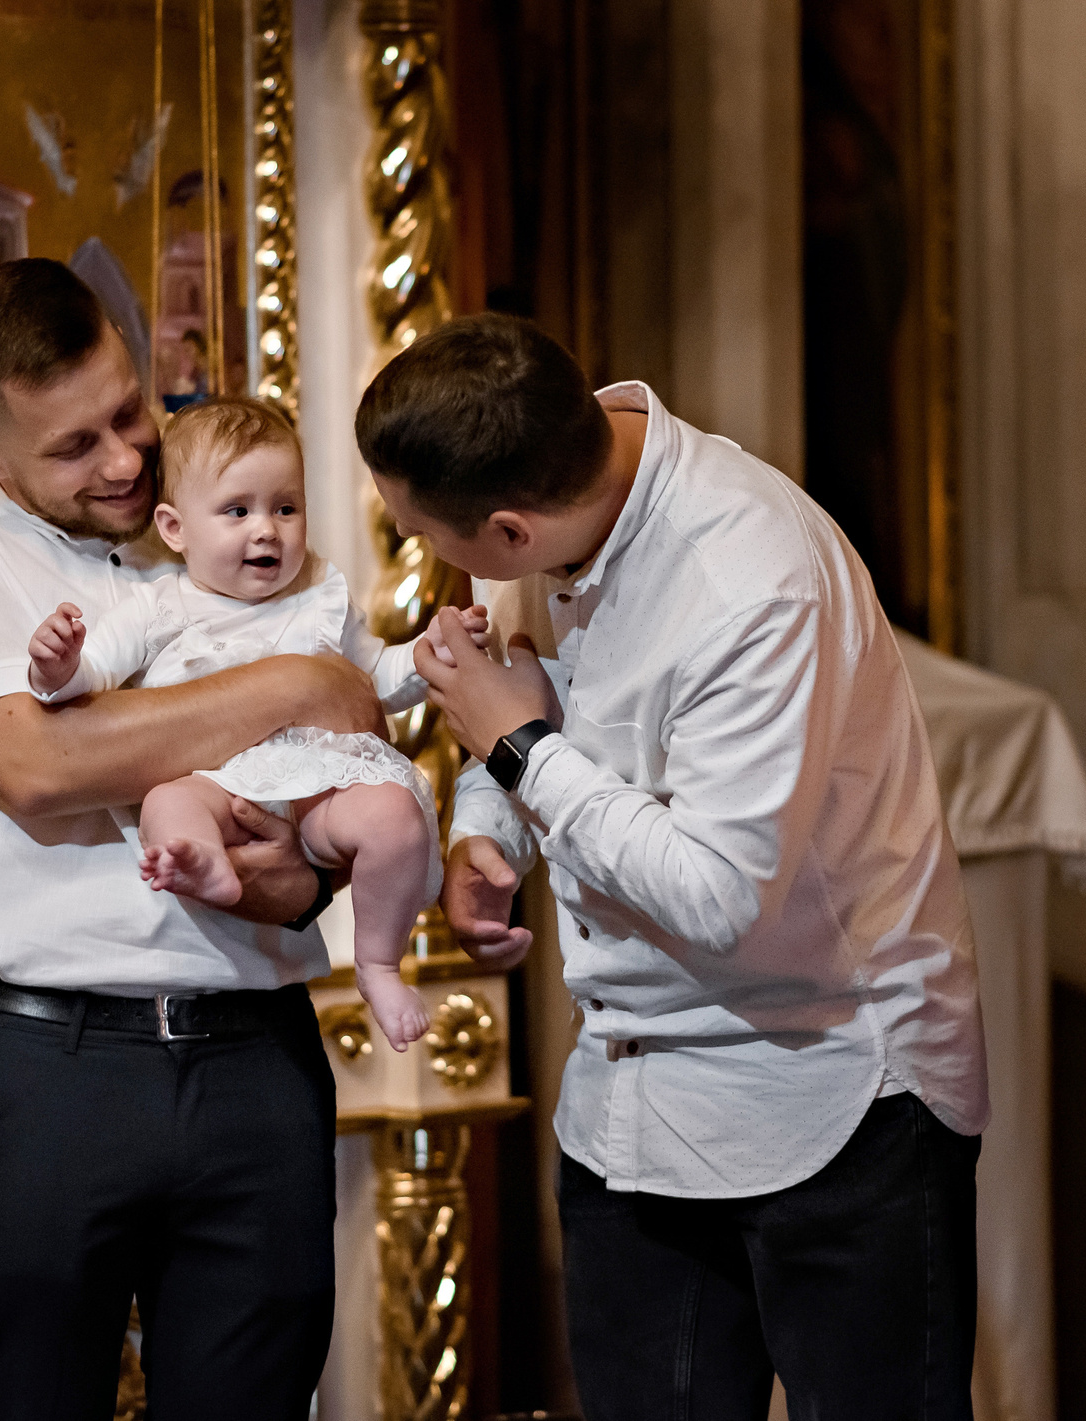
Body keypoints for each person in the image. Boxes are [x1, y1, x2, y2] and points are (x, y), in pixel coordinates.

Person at [359, 313, 989, 1421]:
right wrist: (486, 832)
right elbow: (517, 683)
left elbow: (718, 894)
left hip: (833, 1093)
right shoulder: (560, 473)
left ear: (508, 528)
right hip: (626, 1094)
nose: (434, 562)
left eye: (435, 540)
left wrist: (515, 750)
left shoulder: (751, 582)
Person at [0, 257, 378, 1420]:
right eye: (75, 445)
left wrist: (297, 851)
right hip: (56, 1068)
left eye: (130, 409)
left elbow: (343, 756)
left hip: (258, 1053)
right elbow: (38, 769)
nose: (128, 460)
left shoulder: (212, 503)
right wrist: (294, 677)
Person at [21, 395, 480, 1049]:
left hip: (315, 780)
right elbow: (90, 674)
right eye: (238, 511)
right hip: (212, 780)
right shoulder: (160, 606)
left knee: (396, 819)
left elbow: (370, 677)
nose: (266, 529)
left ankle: (379, 961)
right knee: (167, 801)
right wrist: (56, 663)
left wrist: (429, 655)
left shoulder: (319, 591)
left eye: (284, 507)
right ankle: (204, 862)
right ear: (176, 528)